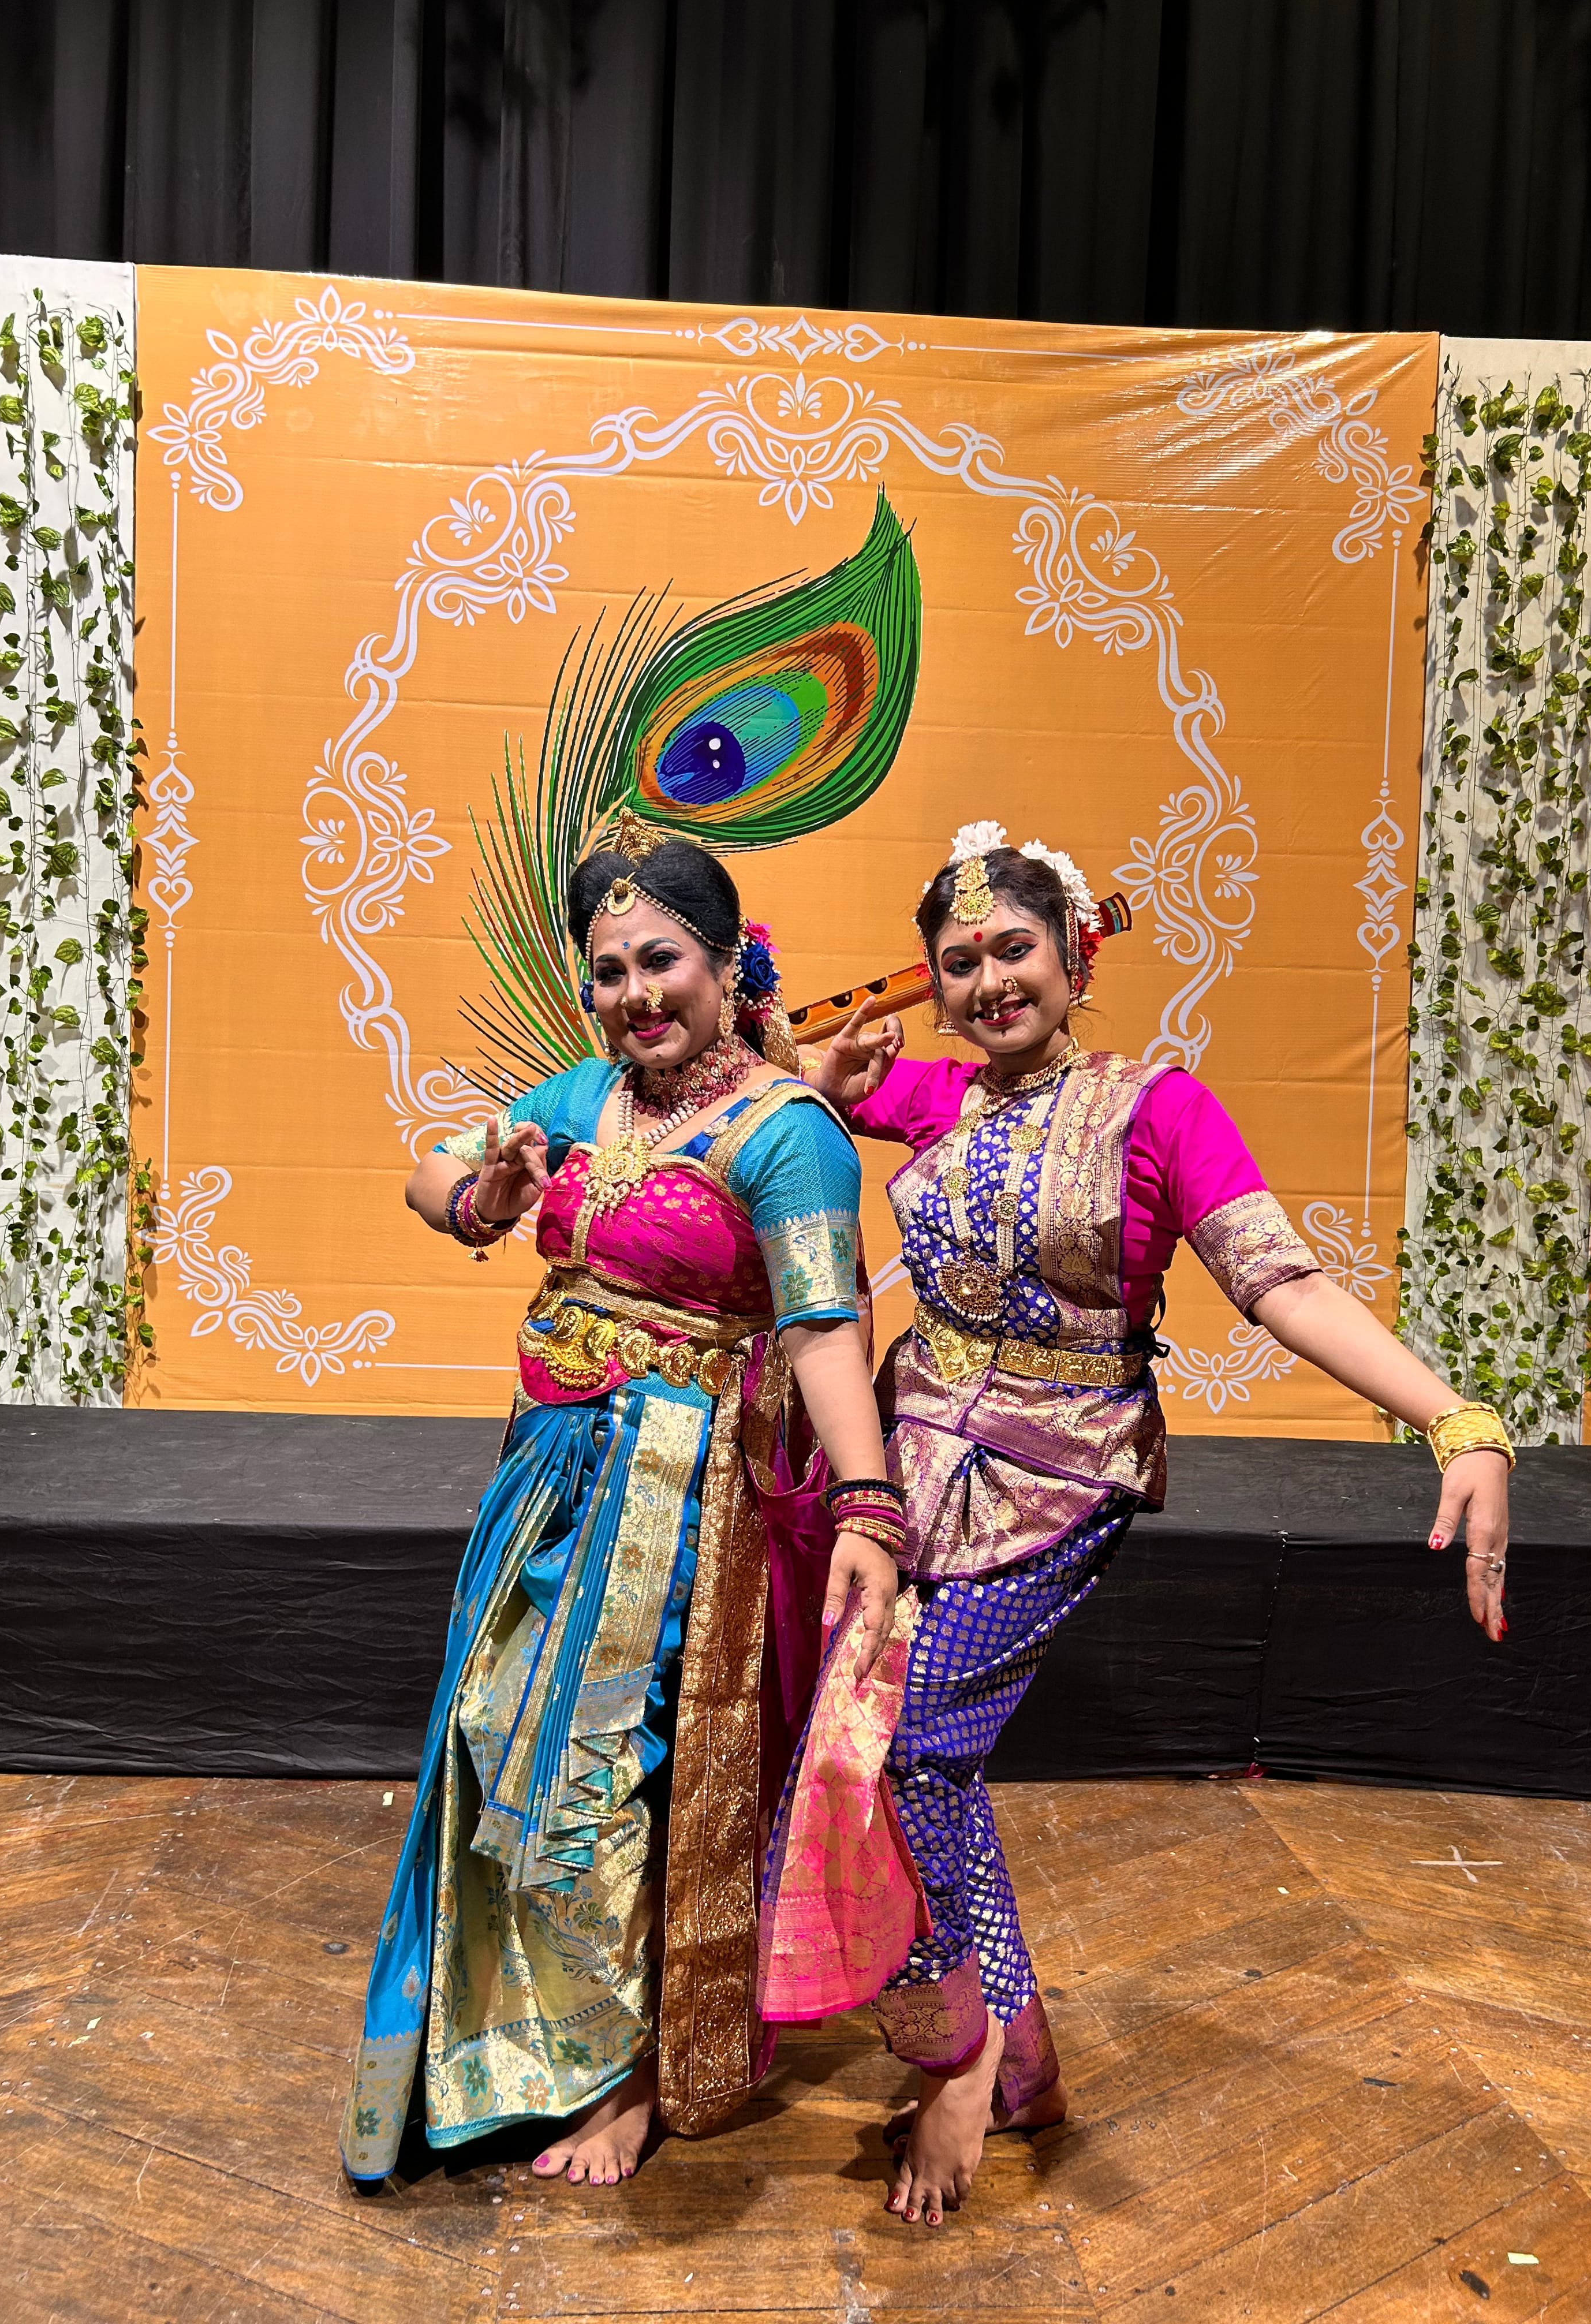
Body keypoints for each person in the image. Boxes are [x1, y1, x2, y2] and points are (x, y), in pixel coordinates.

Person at [810, 825, 1514, 2230]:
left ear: (1076, 957)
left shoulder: (1159, 1109)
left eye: (1014, 950)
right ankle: (1017, 2048)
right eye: (957, 964)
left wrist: (1456, 1418)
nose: (987, 981)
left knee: (921, 1744)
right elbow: (774, 1071)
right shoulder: (938, 1096)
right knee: (903, 1760)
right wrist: (824, 1082)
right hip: (912, 1460)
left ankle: (963, 2058)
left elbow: (1282, 1283)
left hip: (1062, 1475)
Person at [341, 815, 905, 2192]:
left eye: (662, 962)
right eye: (609, 971)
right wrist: (483, 1189)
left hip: (683, 1507)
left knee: (622, 1770)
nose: (637, 994)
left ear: (726, 964)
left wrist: (874, 1505)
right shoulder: (580, 1095)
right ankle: (524, 2039)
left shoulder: (789, 1135)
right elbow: (435, 1182)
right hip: (547, 1481)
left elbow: (826, 1327)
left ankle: (641, 2071)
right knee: (507, 1747)